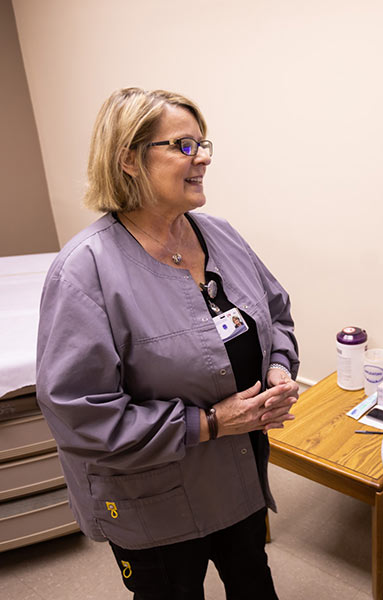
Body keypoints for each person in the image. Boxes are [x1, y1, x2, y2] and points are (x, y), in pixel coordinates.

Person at [36, 88, 300, 599]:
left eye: (203, 144)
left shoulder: (220, 235)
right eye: (182, 145)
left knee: (253, 579)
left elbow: (276, 313)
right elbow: (80, 415)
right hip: (153, 500)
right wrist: (211, 423)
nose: (201, 158)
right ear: (129, 159)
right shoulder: (85, 272)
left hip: (238, 473)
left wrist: (279, 369)